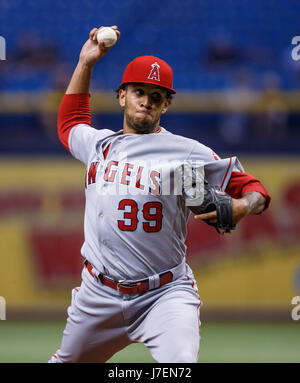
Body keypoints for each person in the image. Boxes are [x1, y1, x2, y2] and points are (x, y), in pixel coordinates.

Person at [49, 26, 270, 363]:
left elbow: (253, 189)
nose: (146, 101)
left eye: (156, 96)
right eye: (139, 91)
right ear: (122, 96)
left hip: (164, 294)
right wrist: (85, 63)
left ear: (166, 104)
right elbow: (69, 123)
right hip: (98, 293)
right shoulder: (100, 145)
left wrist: (243, 205)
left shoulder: (185, 152)